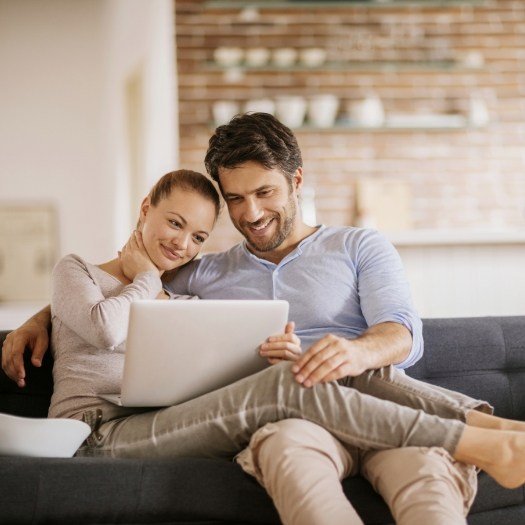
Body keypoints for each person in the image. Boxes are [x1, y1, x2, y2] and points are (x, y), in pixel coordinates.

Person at [3, 118, 525, 525]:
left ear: (295, 181)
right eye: (235, 198)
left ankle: (491, 434)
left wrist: (353, 351)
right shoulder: (201, 272)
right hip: (289, 421)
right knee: (293, 400)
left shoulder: (358, 244)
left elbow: (402, 334)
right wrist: (41, 318)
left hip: (371, 395)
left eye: (265, 193)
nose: (250, 213)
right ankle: (489, 437)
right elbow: (116, 298)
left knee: (410, 460)